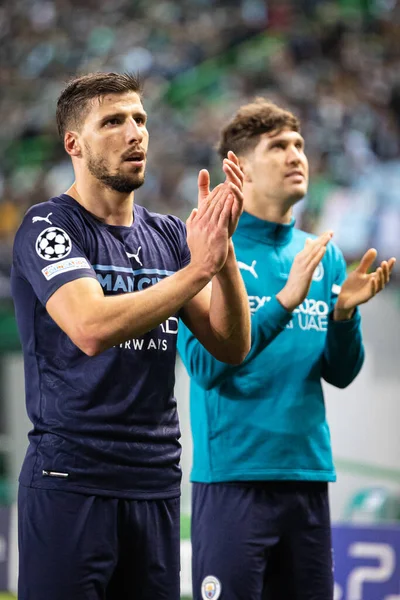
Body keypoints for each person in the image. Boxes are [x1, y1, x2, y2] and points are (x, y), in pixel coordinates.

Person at [11, 72, 251, 600]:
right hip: (70, 480)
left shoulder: (167, 235)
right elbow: (90, 327)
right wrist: (195, 272)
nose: (135, 132)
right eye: (113, 121)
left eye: (140, 119)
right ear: (74, 143)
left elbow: (231, 346)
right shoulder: (47, 226)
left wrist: (223, 254)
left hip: (154, 483)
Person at [177, 98, 396, 600]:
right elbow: (208, 367)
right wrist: (283, 301)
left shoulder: (322, 257)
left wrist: (343, 316)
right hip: (233, 480)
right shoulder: (207, 250)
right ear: (241, 169)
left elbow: (341, 374)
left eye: (299, 144)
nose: (297, 154)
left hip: (306, 477)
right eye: (278, 147)